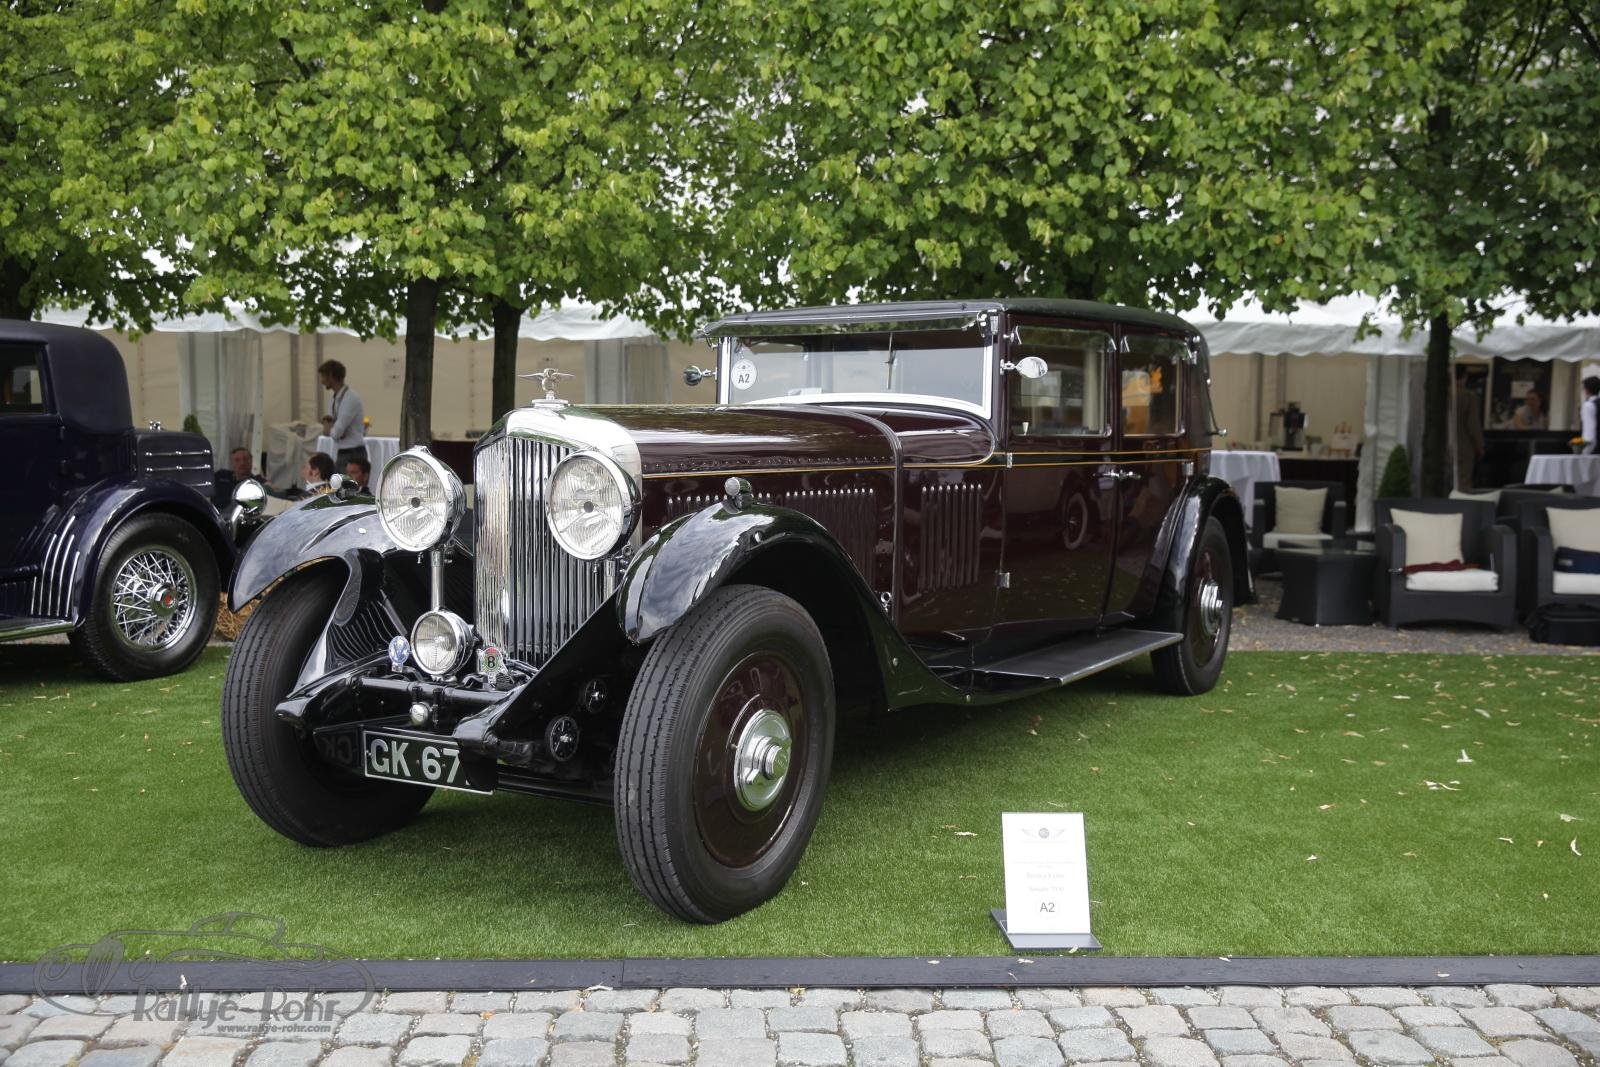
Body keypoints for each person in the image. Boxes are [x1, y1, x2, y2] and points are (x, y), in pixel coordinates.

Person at [318, 359, 367, 469]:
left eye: (323, 377)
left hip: (354, 453)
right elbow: (327, 430)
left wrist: (330, 427)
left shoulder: (350, 398)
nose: (321, 381)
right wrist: (331, 427)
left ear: (331, 375)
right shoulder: (334, 399)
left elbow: (336, 432)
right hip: (343, 451)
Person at [1454, 366, 1483, 491]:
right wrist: (1479, 447)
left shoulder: (1438, 395)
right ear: (1464, 377)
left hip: (1442, 449)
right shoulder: (1468, 396)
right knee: (1463, 484)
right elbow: (1473, 426)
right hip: (1463, 447)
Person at [1582, 376, 1599, 455]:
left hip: (1594, 451)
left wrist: (1585, 452)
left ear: (1587, 390)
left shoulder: (1588, 405)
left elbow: (1589, 433)